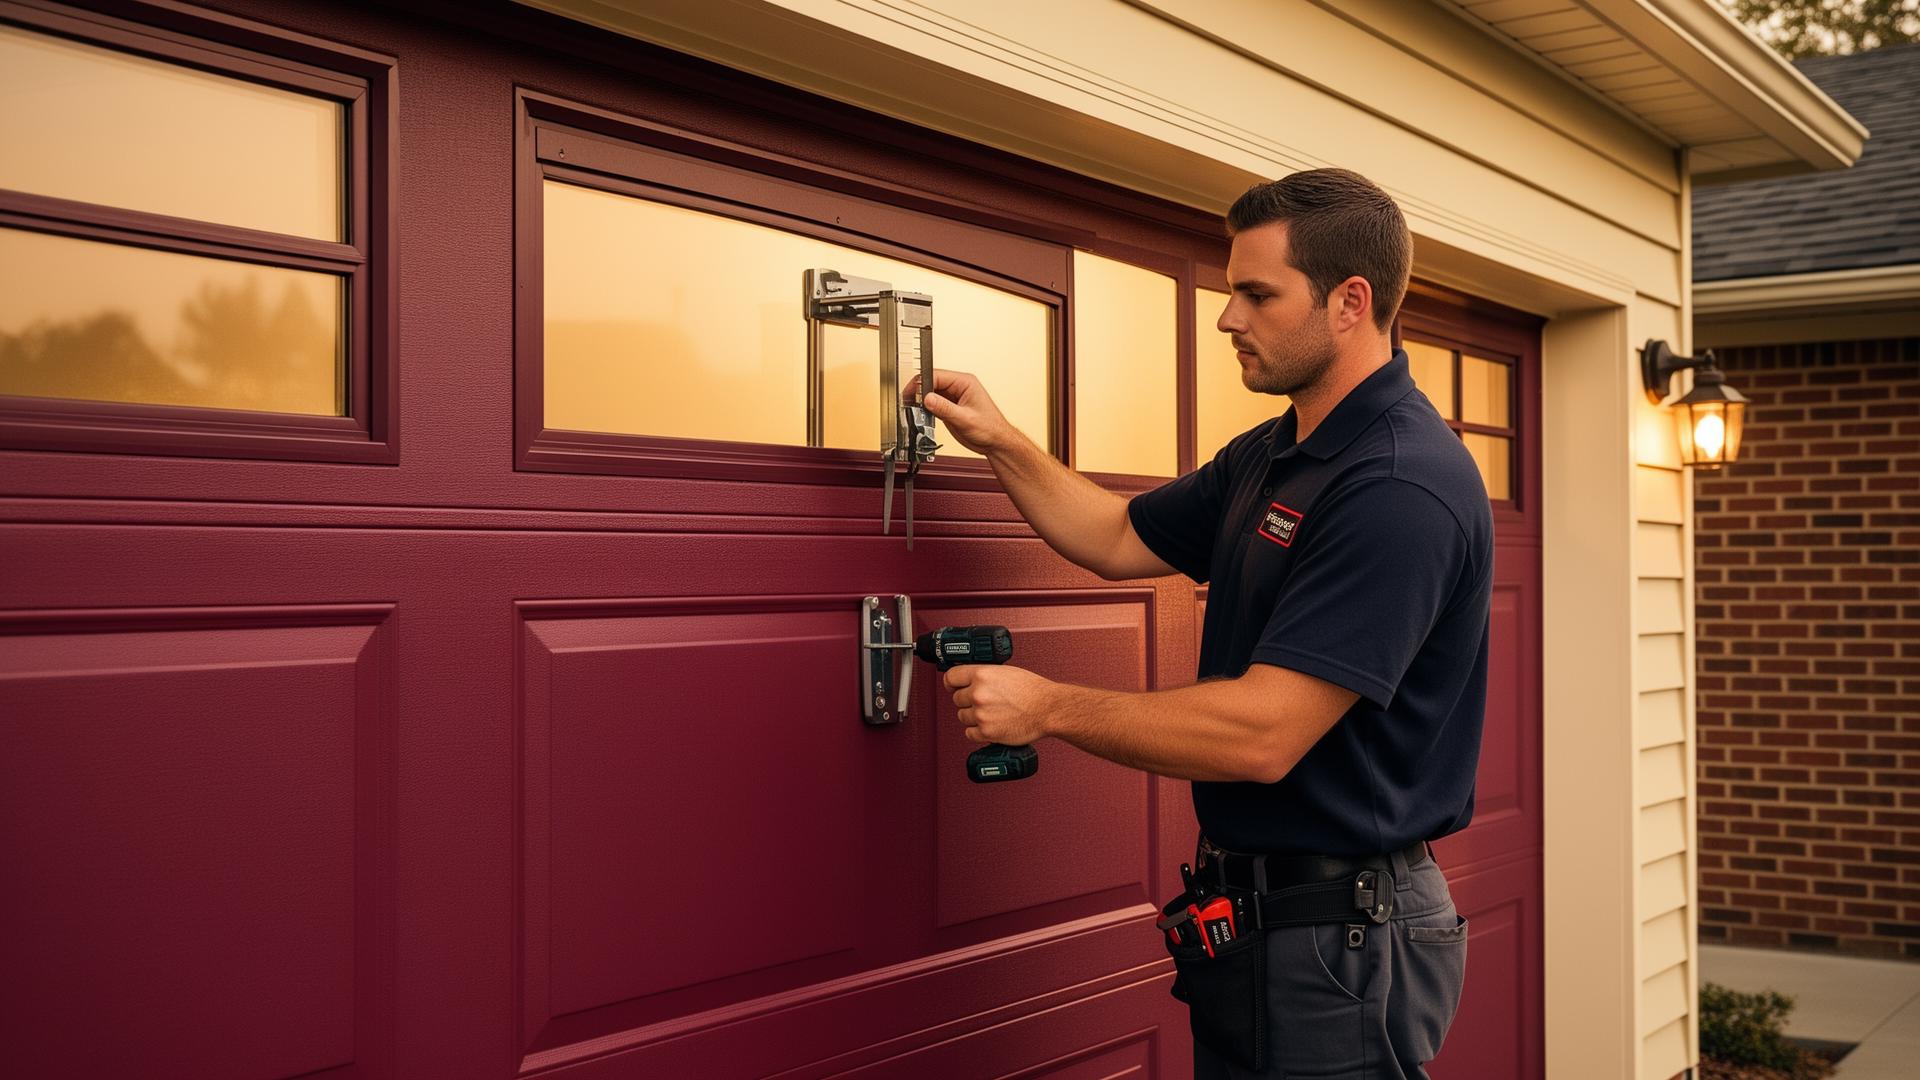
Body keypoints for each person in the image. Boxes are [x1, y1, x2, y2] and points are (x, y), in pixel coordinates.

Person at [917, 167, 1491, 1079]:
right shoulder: (1278, 454)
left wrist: (1050, 708)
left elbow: (1265, 732)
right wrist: (1001, 439)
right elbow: (1111, 536)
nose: (1229, 319)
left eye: (1258, 295)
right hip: (1268, 929)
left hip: (1343, 942)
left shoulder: (1397, 484)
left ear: (1351, 302)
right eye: (1233, 293)